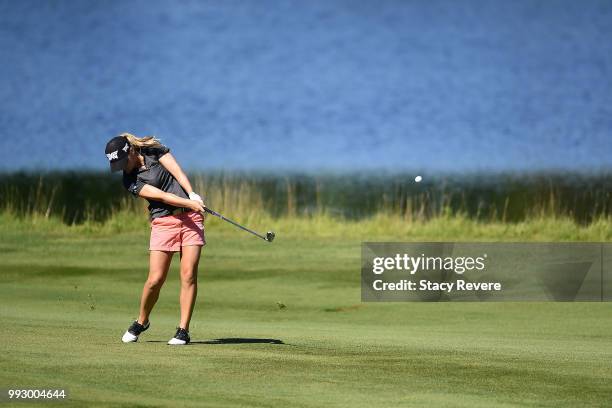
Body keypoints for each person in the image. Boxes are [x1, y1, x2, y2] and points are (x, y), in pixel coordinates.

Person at [104, 132, 206, 345]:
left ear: (131, 151)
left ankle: (183, 330)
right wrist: (190, 203)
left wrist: (192, 194)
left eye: (123, 162)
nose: (122, 167)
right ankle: (142, 321)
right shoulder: (129, 180)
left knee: (188, 275)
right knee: (155, 279)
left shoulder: (153, 150)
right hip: (163, 223)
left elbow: (177, 172)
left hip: (191, 221)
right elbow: (162, 196)